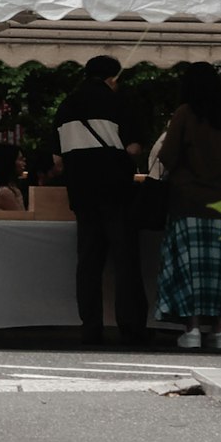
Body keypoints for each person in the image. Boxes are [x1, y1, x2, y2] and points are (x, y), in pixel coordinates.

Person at [155, 66, 221, 353]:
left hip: (188, 202)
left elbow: (168, 155)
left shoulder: (186, 114)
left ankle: (193, 330)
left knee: (191, 271)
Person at [54, 57, 149, 348]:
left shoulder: (65, 106)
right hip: (116, 192)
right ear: (112, 78)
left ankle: (90, 327)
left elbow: (57, 161)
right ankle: (130, 327)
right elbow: (133, 147)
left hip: (82, 196)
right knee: (125, 262)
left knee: (88, 263)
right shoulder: (118, 104)